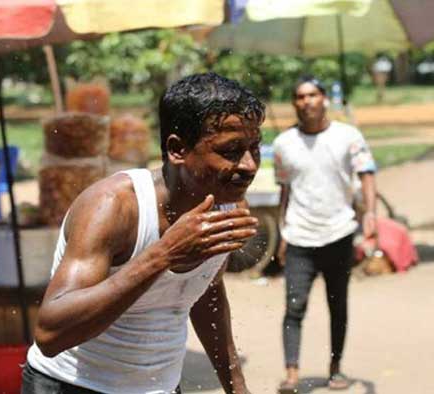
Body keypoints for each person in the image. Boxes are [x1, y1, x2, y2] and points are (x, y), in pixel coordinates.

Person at [23, 72, 265, 394]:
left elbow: (206, 290)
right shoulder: (114, 207)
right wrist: (164, 254)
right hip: (71, 386)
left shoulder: (227, 204)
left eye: (254, 147)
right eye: (232, 150)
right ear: (178, 149)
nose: (249, 165)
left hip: (159, 387)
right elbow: (50, 333)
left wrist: (236, 386)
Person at [273, 76, 378, 392]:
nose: (307, 101)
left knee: (338, 304)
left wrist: (371, 214)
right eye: (300, 96)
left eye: (313, 95)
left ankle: (335, 368)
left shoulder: (348, 136)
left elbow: (367, 173)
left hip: (339, 233)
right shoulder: (283, 144)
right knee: (294, 306)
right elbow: (285, 191)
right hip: (299, 236)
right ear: (294, 103)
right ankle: (292, 373)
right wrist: (282, 233)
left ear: (325, 99)